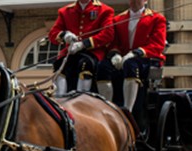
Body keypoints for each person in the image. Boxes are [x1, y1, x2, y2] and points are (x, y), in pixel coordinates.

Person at [96, 0, 166, 134]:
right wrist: (115, 53)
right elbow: (113, 43)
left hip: (146, 59)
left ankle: (128, 110)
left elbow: (157, 45)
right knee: (103, 66)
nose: (134, 1)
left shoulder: (157, 19)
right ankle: (106, 107)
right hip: (123, 59)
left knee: (131, 64)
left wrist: (136, 52)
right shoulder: (118, 19)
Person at [48, 0, 114, 95]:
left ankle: (81, 98)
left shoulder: (105, 10)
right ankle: (60, 99)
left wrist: (84, 44)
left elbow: (108, 34)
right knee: (59, 65)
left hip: (92, 52)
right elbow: (52, 34)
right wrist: (64, 35)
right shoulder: (65, 11)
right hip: (71, 52)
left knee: (84, 65)